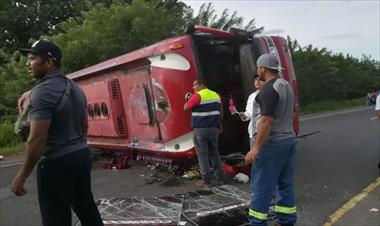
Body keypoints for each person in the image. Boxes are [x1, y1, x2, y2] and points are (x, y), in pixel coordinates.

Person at [10, 40, 103, 226]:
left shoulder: (42, 91)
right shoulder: (76, 88)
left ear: (48, 62)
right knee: (86, 208)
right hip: (81, 155)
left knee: (56, 218)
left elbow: (37, 138)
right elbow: (84, 126)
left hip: (57, 163)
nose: (28, 63)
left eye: (33, 59)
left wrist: (21, 177)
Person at [245, 53, 297, 226]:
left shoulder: (268, 90)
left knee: (261, 187)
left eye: (258, 68)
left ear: (263, 69)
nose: (257, 71)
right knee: (285, 184)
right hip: (288, 140)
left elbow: (266, 121)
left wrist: (256, 147)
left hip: (273, 144)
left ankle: (257, 223)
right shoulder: (285, 85)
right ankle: (287, 221)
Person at [184, 79, 224, 186]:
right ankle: (220, 177)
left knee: (203, 155)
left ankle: (206, 179)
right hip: (214, 128)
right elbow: (220, 110)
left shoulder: (198, 95)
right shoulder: (215, 95)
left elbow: (186, 107)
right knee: (214, 153)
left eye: (195, 85)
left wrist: (189, 98)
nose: (194, 88)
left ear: (202, 85)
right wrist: (220, 124)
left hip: (201, 129)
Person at [239, 74, 265, 148]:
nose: (257, 81)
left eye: (260, 79)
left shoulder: (268, 94)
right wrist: (244, 115)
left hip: (264, 133)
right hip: (252, 133)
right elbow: (249, 113)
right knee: (255, 158)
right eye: (256, 80)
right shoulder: (251, 96)